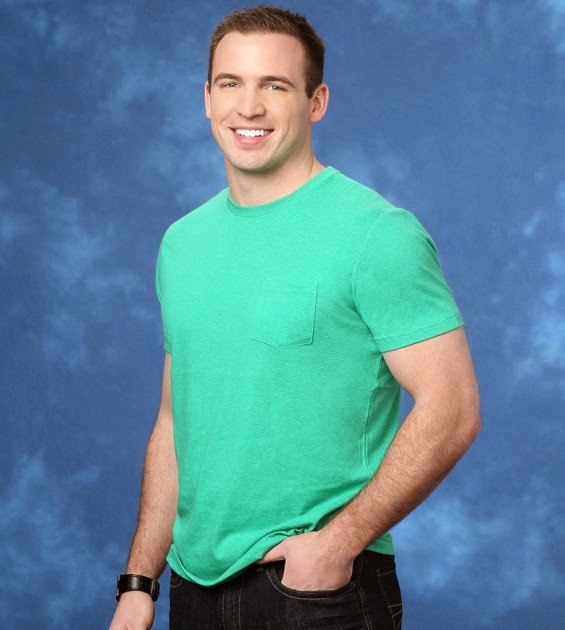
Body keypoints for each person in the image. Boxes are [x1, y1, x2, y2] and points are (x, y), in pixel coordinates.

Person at [109, 5, 481, 629]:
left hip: (315, 592)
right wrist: (140, 581)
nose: (248, 107)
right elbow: (176, 421)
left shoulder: (376, 234)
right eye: (231, 83)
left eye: (275, 86)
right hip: (192, 589)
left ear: (316, 102)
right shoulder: (182, 243)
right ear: (207, 98)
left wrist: (337, 544)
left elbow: (454, 409)